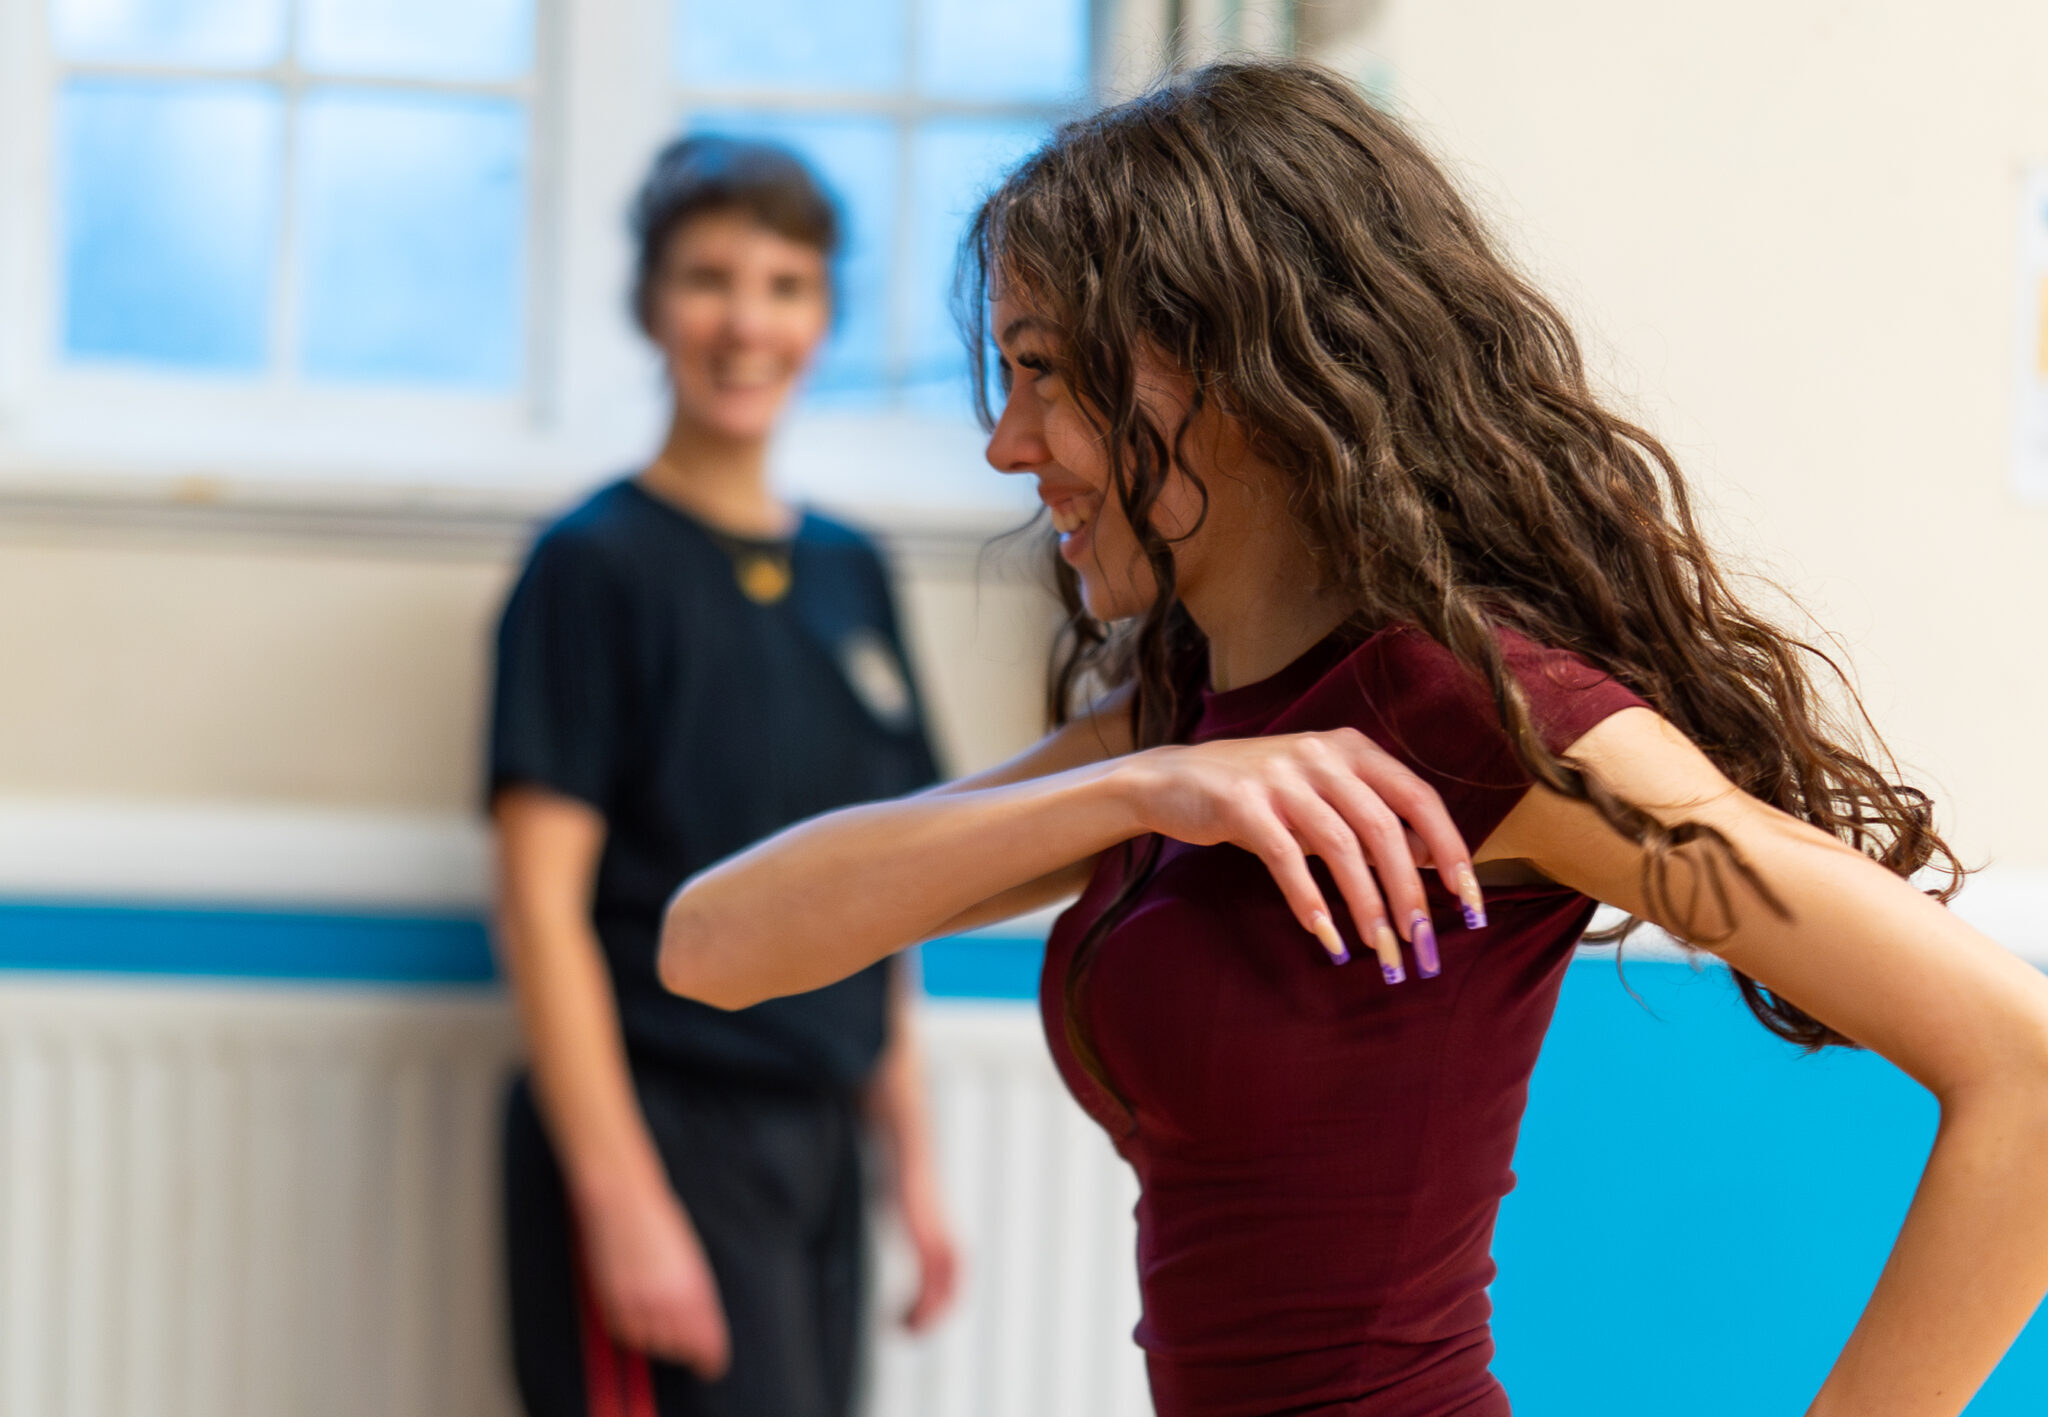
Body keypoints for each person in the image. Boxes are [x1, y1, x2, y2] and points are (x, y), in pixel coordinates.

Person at [653, 61, 2048, 1417]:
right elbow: (715, 947)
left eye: (1045, 376)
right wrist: (1144, 783)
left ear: (1220, 375)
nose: (1009, 446)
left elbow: (2025, 1071)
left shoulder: (1487, 721)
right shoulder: (1191, 730)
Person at [488, 135, 958, 1417]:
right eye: (708, 278)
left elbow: (888, 892)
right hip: (659, 1123)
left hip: (815, 1144)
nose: (746, 321)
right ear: (649, 304)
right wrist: (621, 1199)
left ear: (823, 316)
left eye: (786, 285)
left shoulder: (852, 574)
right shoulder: (591, 568)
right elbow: (538, 909)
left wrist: (909, 1165)